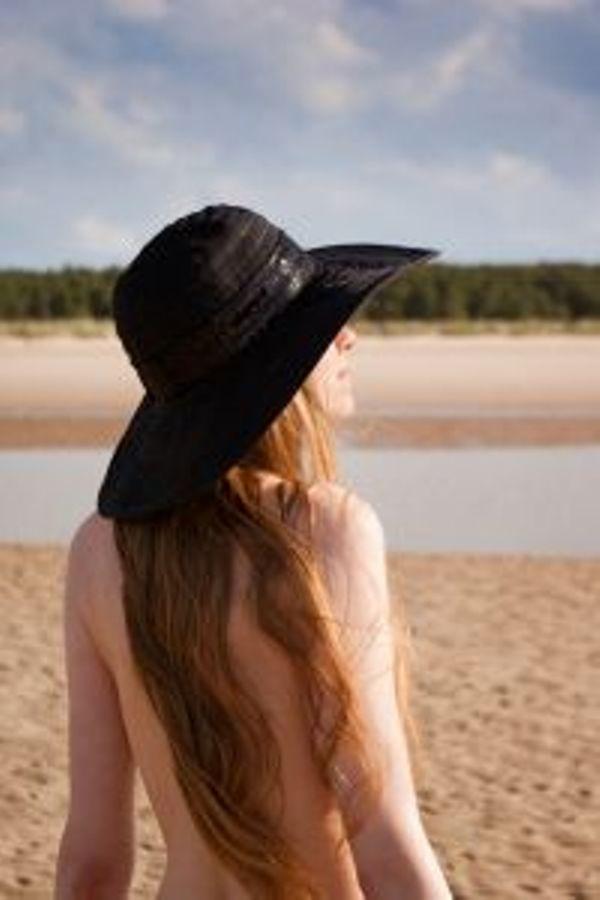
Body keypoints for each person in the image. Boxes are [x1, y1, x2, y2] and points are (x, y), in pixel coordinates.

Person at [53, 204, 452, 899]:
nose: (348, 338)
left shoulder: (97, 552)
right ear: (275, 370)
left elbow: (91, 859)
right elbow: (382, 836)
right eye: (322, 331)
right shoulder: (327, 529)